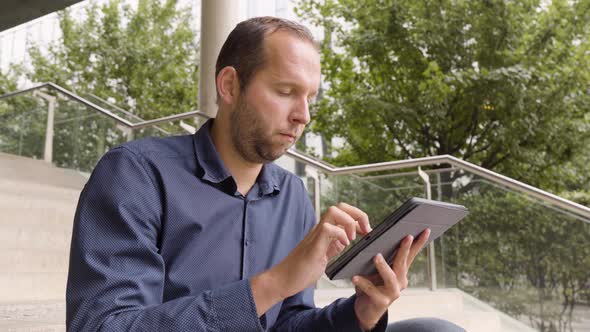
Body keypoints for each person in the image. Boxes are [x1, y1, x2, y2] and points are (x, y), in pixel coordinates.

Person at [66, 16, 465, 332]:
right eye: (286, 91)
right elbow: (103, 326)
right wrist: (271, 284)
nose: (303, 116)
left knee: (437, 330)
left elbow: (289, 323)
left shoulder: (292, 194)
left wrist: (361, 313)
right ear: (229, 85)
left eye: (310, 98)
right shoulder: (136, 174)